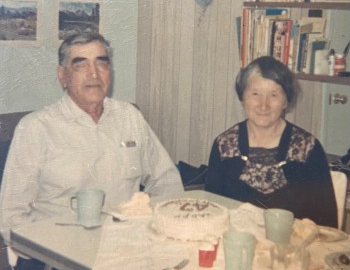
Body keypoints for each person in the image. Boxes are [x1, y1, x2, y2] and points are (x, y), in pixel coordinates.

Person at [0, 32, 184, 269]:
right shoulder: (36, 128)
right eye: (81, 65)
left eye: (101, 63)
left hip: (127, 249)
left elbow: (166, 181)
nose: (94, 74)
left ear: (110, 72)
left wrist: (159, 230)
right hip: (58, 256)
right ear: (63, 76)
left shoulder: (129, 117)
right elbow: (10, 216)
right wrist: (49, 251)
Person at [205, 56, 338, 228]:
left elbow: (327, 224)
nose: (263, 105)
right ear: (242, 98)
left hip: (293, 250)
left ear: (285, 101)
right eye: (255, 94)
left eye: (273, 95)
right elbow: (212, 215)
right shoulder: (224, 146)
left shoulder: (308, 149)